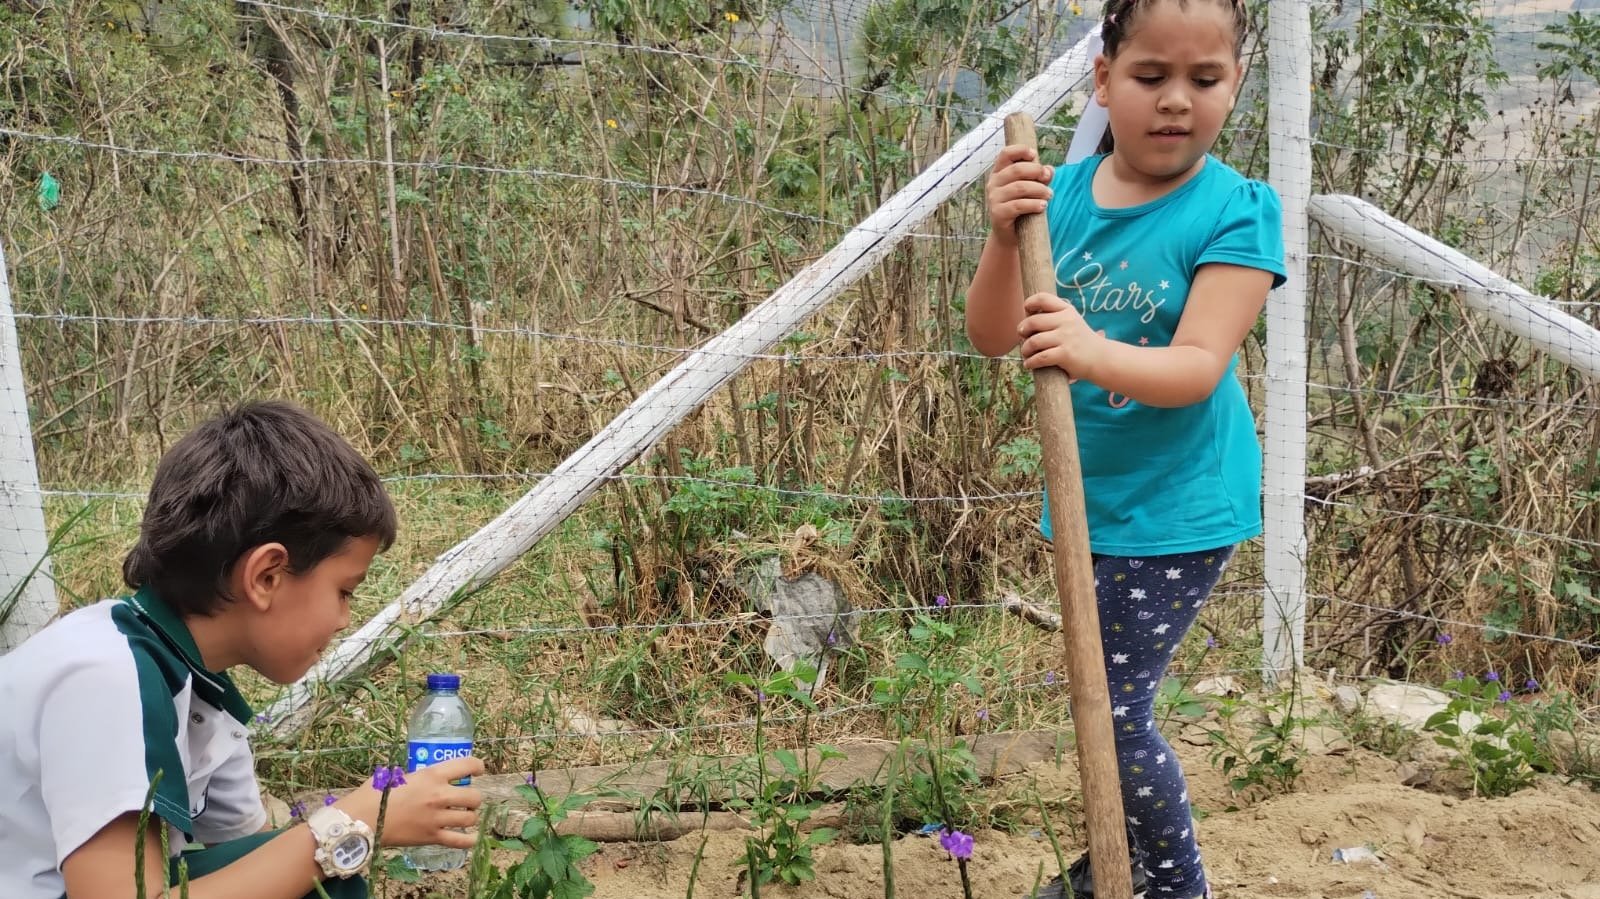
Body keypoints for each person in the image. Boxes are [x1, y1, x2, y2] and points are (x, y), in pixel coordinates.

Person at [966, 0, 1285, 895]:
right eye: (1150, 77)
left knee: (1111, 710)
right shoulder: (1057, 200)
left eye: (1204, 79)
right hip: (1091, 496)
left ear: (1235, 87)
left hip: (1180, 505)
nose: (1176, 99)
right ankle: (1118, 861)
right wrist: (1003, 235)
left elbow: (1196, 365)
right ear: (1104, 82)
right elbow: (993, 333)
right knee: (1094, 700)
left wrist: (1089, 350)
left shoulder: (1235, 211)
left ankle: (1174, 881)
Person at [0, 401, 485, 899]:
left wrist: (337, 836)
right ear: (266, 576)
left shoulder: (193, 684)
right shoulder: (105, 677)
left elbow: (258, 856)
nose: (345, 619)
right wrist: (355, 820)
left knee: (320, 878)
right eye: (345, 590)